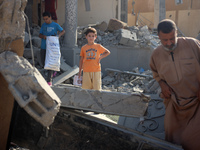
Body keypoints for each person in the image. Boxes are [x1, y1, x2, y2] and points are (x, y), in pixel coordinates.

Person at [150, 19, 200, 150]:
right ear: (158, 37)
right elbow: (156, 73)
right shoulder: (156, 54)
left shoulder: (193, 45)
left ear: (177, 32)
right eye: (164, 40)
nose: (169, 43)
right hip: (175, 104)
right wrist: (161, 83)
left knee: (192, 141)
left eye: (172, 38)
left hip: (197, 102)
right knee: (173, 140)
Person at [39, 11, 65, 86]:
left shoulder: (55, 25)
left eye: (47, 19)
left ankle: (49, 80)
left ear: (50, 17)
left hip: (52, 47)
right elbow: (39, 34)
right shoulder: (43, 25)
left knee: (50, 62)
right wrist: (43, 36)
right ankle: (52, 72)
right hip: (44, 46)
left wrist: (59, 36)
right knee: (44, 62)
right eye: (44, 19)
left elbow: (63, 31)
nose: (46, 20)